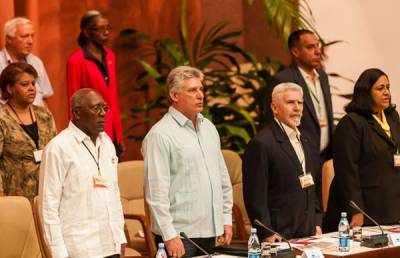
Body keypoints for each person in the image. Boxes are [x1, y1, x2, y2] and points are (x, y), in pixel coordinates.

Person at [142, 66, 233, 258]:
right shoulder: (160, 135)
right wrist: (169, 235)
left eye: (201, 89)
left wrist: (226, 219)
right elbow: (156, 193)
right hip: (180, 236)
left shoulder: (208, 127)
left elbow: (222, 179)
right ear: (174, 95)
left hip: (212, 231)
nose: (200, 95)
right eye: (192, 90)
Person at [39, 88, 126, 258]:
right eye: (95, 109)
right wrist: (57, 252)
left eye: (104, 108)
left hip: (110, 244)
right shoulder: (58, 148)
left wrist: (120, 237)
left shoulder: (107, 142)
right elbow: (48, 206)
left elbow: (114, 193)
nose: (102, 114)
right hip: (79, 249)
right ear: (77, 113)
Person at [243, 82, 322, 242]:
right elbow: (255, 196)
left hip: (309, 231)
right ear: (275, 108)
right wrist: (266, 233)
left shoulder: (307, 139)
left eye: (300, 103)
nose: (297, 108)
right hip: (278, 234)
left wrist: (317, 221)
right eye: (290, 102)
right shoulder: (261, 143)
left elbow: (315, 186)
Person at [325, 68, 400, 231]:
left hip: (392, 204)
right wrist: (356, 210)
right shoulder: (351, 123)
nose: (387, 92)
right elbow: (346, 170)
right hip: (367, 208)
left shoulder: (393, 118)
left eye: (388, 87)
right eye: (380, 88)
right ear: (366, 92)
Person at [268, 29, 334, 164]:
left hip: (326, 156)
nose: (317, 51)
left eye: (317, 45)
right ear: (295, 52)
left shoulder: (322, 76)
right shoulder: (283, 80)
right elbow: (274, 123)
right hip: (301, 158)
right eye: (310, 47)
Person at [67, 10, 124, 157]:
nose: (106, 32)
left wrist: (119, 134)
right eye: (100, 28)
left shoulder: (110, 56)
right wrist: (75, 136)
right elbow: (73, 100)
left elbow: (113, 98)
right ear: (86, 32)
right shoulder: (76, 61)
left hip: (112, 126)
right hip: (90, 128)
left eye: (108, 28)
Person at [0, 63, 56, 200]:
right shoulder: (2, 119)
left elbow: (57, 150)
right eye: (25, 84)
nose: (32, 88)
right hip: (15, 197)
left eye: (33, 83)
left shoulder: (44, 115)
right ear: (10, 88)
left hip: (47, 193)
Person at [0, 17, 53, 106]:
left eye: (32, 36)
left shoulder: (36, 62)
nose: (30, 41)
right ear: (9, 39)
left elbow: (44, 98)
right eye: (24, 36)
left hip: (38, 117)